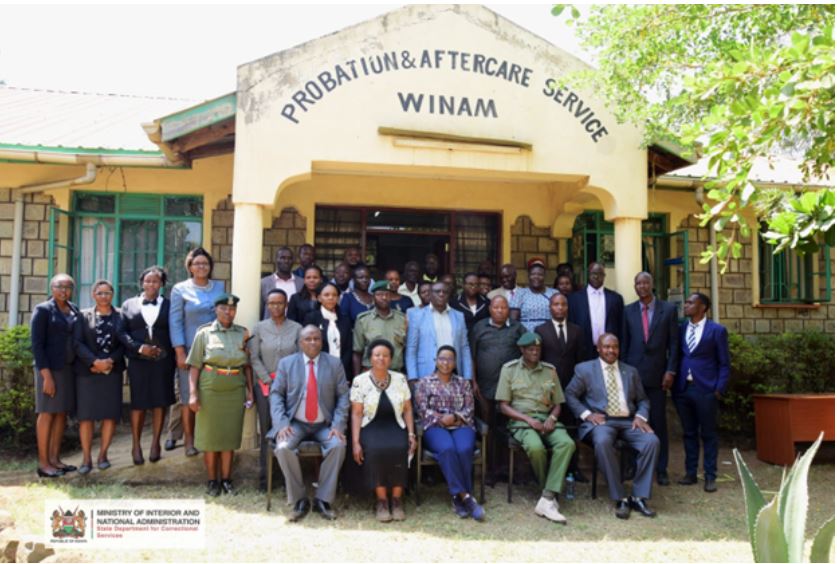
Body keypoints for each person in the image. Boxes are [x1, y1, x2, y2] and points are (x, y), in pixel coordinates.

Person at [565, 333, 660, 520]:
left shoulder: (630, 371)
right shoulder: (585, 369)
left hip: (629, 421)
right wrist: (587, 415)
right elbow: (570, 394)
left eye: (614, 347)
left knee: (652, 441)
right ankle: (620, 497)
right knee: (602, 441)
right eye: (606, 347)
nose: (611, 350)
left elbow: (642, 400)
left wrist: (641, 416)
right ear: (598, 348)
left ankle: (639, 496)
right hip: (602, 422)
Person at [269, 325, 349, 521]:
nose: (313, 342)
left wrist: (338, 425)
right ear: (300, 342)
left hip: (324, 424)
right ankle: (300, 499)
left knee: (338, 446)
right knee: (283, 447)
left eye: (317, 339)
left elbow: (343, 397)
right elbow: (276, 394)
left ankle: (323, 499)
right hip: (296, 423)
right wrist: (281, 424)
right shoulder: (287, 364)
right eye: (308, 339)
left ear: (322, 342)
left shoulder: (334, 363)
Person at [496, 332, 576, 524]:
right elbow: (503, 406)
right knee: (535, 447)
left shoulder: (550, 371)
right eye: (530, 349)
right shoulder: (510, 370)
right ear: (522, 350)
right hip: (522, 422)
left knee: (567, 443)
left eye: (538, 349)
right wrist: (528, 420)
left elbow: (558, 403)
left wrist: (553, 417)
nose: (535, 353)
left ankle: (547, 497)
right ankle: (547, 492)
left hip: (547, 420)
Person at [187, 293, 254, 496]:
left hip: (234, 390)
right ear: (216, 310)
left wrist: (250, 391)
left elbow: (247, 366)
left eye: (232, 309)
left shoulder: (243, 333)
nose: (228, 312)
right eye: (224, 308)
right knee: (209, 438)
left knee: (228, 437)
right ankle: (211, 482)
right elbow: (195, 366)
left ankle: (226, 480)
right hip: (210, 390)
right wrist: (192, 394)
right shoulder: (204, 334)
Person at [621, 272, 679, 486]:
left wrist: (670, 371)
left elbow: (674, 344)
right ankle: (632, 465)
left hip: (658, 376)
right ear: (635, 287)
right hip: (633, 377)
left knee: (658, 423)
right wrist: (623, 373)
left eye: (645, 282)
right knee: (630, 423)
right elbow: (625, 345)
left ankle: (661, 468)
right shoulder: (628, 311)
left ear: (652, 285)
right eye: (638, 283)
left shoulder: (668, 310)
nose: (642, 286)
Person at [167, 247, 226, 455]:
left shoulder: (220, 286)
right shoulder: (180, 289)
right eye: (197, 263)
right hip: (190, 349)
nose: (201, 267)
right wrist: (179, 351)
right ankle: (189, 441)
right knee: (187, 396)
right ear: (190, 267)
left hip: (215, 349)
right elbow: (175, 322)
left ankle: (208, 437)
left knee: (211, 394)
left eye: (205, 263)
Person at [415, 346, 485, 521]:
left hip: (460, 425)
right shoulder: (424, 383)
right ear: (436, 361)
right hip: (435, 427)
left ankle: (457, 498)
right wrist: (441, 418)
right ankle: (465, 497)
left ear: (455, 363)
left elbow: (469, 408)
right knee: (447, 449)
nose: (445, 363)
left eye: (450, 359)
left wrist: (454, 417)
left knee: (463, 449)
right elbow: (422, 409)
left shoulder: (463, 383)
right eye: (442, 359)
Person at [350, 339, 416, 522]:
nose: (381, 359)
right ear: (370, 358)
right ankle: (381, 501)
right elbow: (356, 413)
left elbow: (408, 409)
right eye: (377, 355)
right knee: (377, 450)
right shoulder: (359, 381)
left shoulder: (400, 379)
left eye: (385, 355)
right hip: (370, 426)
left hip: (395, 424)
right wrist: (355, 442)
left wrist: (411, 434)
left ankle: (396, 500)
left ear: (391, 359)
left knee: (400, 447)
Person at [118, 266, 176, 465]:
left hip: (163, 361)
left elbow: (175, 330)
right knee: (139, 403)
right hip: (138, 361)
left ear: (162, 284)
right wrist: (139, 348)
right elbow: (122, 332)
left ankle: (155, 444)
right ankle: (136, 445)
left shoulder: (169, 305)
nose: (151, 284)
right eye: (148, 281)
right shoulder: (128, 304)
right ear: (142, 283)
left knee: (160, 401)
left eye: (156, 281)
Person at [673, 292, 730, 494]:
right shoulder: (681, 329)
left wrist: (718, 389)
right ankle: (690, 473)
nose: (686, 305)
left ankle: (710, 476)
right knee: (688, 433)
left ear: (703, 307)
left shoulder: (717, 330)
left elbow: (724, 363)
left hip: (706, 389)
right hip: (683, 389)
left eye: (690, 303)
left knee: (708, 434)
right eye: (686, 302)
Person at [249, 289, 302, 491]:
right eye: (271, 303)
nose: (276, 307)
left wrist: (287, 382)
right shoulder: (259, 328)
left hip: (290, 387)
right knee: (267, 431)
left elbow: (300, 357)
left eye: (280, 303)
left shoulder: (297, 328)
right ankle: (265, 480)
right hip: (265, 386)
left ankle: (287, 478)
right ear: (267, 305)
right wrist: (267, 380)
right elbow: (254, 357)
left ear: (286, 304)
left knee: (287, 431)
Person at [469, 295, 526, 481]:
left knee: (509, 428)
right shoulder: (479, 328)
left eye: (503, 307)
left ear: (508, 309)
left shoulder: (517, 328)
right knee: (489, 428)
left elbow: (528, 354)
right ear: (490, 309)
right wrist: (474, 381)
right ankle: (489, 470)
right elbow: (472, 356)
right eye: (496, 307)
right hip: (485, 387)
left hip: (511, 390)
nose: (500, 311)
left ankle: (509, 470)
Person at [73, 280, 125, 474]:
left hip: (112, 372)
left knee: (109, 415)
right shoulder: (83, 316)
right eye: (100, 293)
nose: (104, 296)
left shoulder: (121, 316)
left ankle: (103, 455)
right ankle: (86, 458)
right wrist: (94, 362)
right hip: (88, 373)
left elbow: (124, 343)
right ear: (93, 295)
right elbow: (77, 343)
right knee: (86, 417)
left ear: (113, 295)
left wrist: (110, 361)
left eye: (108, 293)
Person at [31, 273, 80, 478]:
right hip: (49, 370)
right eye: (60, 286)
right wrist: (47, 376)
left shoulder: (74, 309)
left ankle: (54, 459)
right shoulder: (43, 310)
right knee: (47, 413)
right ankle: (43, 464)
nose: (64, 291)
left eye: (68, 287)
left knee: (61, 413)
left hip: (68, 368)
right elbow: (37, 345)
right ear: (52, 288)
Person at [535, 292, 585, 481]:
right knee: (549, 427)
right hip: (548, 388)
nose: (560, 308)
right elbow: (537, 360)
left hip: (572, 386)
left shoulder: (577, 331)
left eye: (563, 304)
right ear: (550, 307)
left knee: (572, 427)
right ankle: (549, 468)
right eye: (556, 304)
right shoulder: (541, 330)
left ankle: (572, 468)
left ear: (567, 307)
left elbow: (581, 360)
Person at [405, 282, 473, 383]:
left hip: (454, 372)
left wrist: (468, 376)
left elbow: (464, 348)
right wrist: (412, 377)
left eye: (445, 292)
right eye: (437, 291)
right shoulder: (417, 316)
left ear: (449, 295)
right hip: (426, 372)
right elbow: (411, 348)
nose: (441, 294)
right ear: (431, 294)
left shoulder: (458, 316)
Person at [568, 262, 625, 361]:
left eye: (600, 274)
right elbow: (571, 325)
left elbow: (621, 326)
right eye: (593, 273)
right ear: (588, 274)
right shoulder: (574, 299)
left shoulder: (616, 298)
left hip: (609, 351)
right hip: (583, 351)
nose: (596, 276)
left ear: (604, 276)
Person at [353, 281, 407, 376]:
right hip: (370, 373)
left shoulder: (402, 319)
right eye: (379, 294)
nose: (384, 298)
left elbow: (407, 350)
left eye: (387, 294)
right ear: (373, 297)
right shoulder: (363, 320)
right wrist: (357, 379)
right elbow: (357, 352)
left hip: (395, 373)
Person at [303, 282, 353, 380]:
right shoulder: (311, 318)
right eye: (326, 295)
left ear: (338, 298)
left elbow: (348, 347)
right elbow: (308, 346)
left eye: (334, 295)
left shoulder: (345, 319)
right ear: (319, 298)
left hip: (342, 371)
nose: (331, 298)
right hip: (319, 370)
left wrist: (341, 366)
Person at [509, 258, 557, 331]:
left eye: (540, 274)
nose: (536, 277)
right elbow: (513, 320)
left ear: (544, 276)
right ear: (528, 276)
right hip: (526, 334)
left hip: (549, 333)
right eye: (533, 274)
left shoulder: (554, 293)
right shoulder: (520, 293)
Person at [260, 247, 303, 319]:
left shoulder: (301, 283)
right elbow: (260, 309)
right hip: (271, 327)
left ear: (293, 261)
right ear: (276, 260)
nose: (286, 261)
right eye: (282, 258)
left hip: (295, 327)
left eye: (290, 258)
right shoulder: (264, 283)